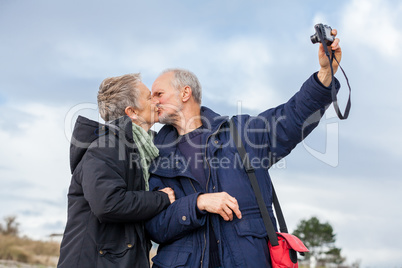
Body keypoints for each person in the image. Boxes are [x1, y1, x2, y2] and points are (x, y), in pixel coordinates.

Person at [145, 29, 342, 268]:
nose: (152, 101)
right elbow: (154, 226)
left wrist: (325, 74)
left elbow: (292, 116)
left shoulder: (241, 132)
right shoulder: (154, 155)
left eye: (159, 94)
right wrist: (198, 203)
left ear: (185, 92)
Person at [58, 73, 175, 268]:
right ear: (132, 112)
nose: (156, 101)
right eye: (148, 97)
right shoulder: (106, 146)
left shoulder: (139, 150)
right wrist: (161, 199)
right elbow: (107, 203)